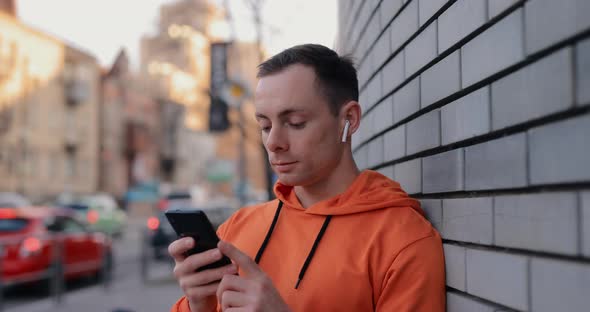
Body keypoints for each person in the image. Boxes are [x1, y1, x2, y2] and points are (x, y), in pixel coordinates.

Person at [168, 44, 445, 312]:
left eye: (296, 123)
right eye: (265, 125)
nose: (273, 142)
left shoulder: (404, 240)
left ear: (349, 118)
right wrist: (199, 307)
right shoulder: (236, 230)